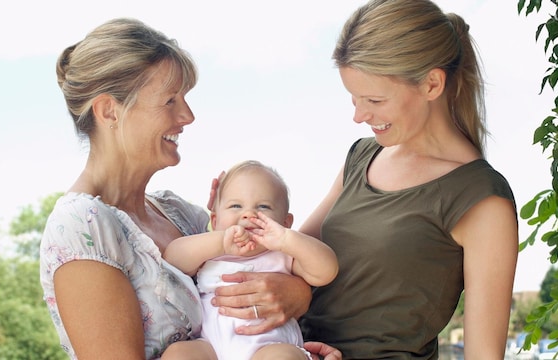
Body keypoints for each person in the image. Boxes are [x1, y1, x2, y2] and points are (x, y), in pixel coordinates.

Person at [38, 18, 316, 360]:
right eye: (170, 100)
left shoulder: (181, 214)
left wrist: (294, 315)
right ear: (109, 110)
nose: (188, 115)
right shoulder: (83, 228)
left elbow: (266, 272)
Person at [294, 0, 519, 359]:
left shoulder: (481, 199)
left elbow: (484, 355)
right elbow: (290, 257)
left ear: (431, 84)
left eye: (374, 100)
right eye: (353, 98)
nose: (359, 115)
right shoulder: (361, 157)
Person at [162, 160, 339, 360]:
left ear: (285, 222)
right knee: (179, 354)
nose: (248, 214)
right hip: (211, 347)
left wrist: (287, 239)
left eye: (263, 207)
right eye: (235, 205)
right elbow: (173, 259)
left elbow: (326, 271)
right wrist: (220, 241)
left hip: (270, 347)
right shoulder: (210, 252)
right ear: (215, 220)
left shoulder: (283, 255)